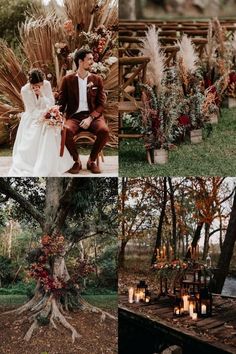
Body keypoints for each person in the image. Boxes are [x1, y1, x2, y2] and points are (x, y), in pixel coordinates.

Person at [8, 69, 73, 176]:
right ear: (31, 83)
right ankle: (35, 162)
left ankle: (49, 162)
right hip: (32, 117)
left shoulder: (46, 85)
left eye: (40, 84)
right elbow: (32, 110)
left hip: (46, 112)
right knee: (39, 129)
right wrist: (43, 116)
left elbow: (51, 102)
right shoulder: (25, 90)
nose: (38, 86)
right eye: (36, 85)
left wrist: (42, 95)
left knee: (49, 128)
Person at [58, 48, 109, 174]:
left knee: (104, 131)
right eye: (89, 59)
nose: (92, 61)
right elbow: (61, 103)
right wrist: (56, 116)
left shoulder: (97, 80)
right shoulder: (67, 80)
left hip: (93, 117)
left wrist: (91, 118)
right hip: (74, 117)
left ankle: (91, 161)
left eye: (92, 59)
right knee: (65, 130)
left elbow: (102, 104)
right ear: (80, 61)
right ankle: (76, 161)